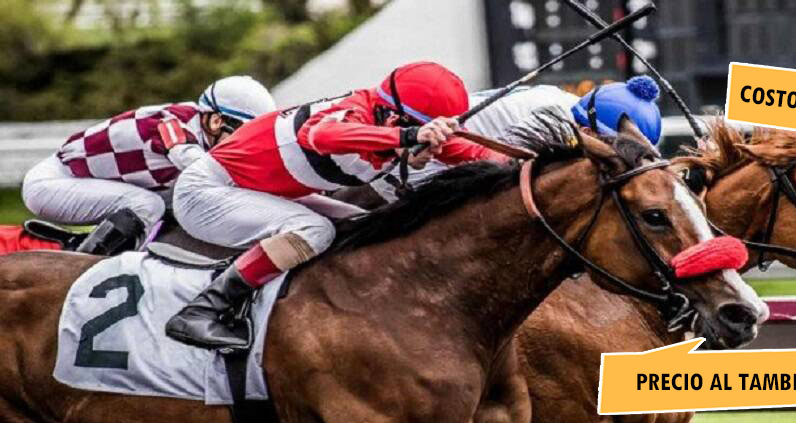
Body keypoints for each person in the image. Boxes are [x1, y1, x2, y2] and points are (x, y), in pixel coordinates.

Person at [165, 61, 503, 350]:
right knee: (315, 230)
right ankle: (203, 310)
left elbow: (478, 154)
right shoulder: (352, 112)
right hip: (206, 192)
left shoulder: (394, 122)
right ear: (390, 114)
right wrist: (408, 138)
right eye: (416, 130)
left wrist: (526, 165)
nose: (427, 146)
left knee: (366, 227)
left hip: (258, 191)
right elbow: (317, 136)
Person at [20, 76, 276, 255]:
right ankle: (84, 264)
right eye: (242, 135)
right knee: (149, 205)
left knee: (179, 202)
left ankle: (92, 244)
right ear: (216, 121)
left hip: (84, 183)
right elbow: (193, 162)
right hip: (53, 185)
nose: (245, 146)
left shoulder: (202, 126)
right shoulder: (171, 123)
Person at [409, 75, 663, 186]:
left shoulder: (572, 108)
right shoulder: (552, 120)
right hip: (418, 164)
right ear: (589, 131)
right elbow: (506, 177)